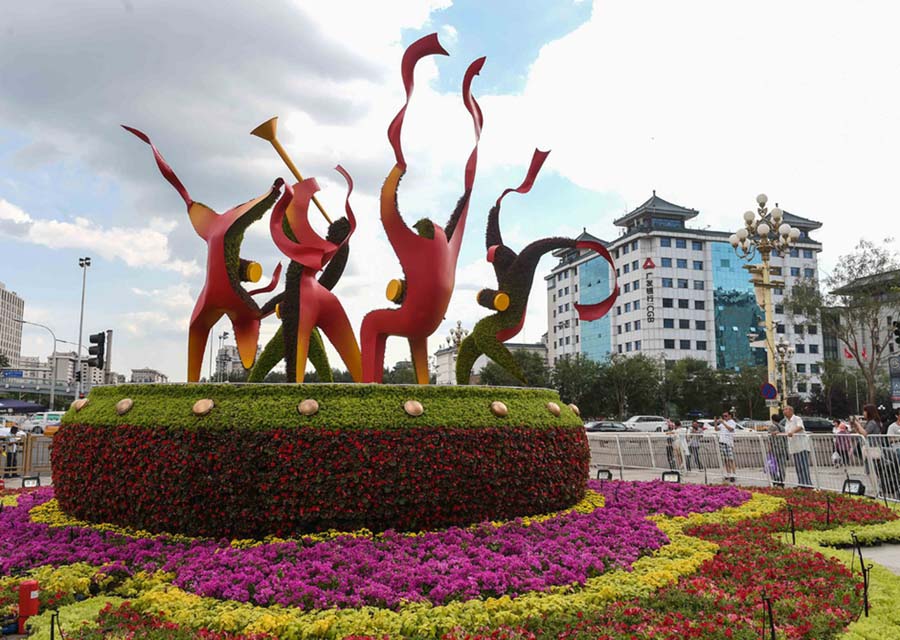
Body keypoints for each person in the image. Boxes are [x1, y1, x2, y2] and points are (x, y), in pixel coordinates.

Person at [782, 405, 811, 487]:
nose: (784, 411)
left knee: (803, 466)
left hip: (802, 446)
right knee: (798, 467)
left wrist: (792, 432)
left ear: (791, 411)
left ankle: (807, 484)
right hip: (794, 447)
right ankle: (801, 483)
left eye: (786, 409)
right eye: (783, 410)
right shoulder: (786, 421)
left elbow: (800, 427)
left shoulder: (797, 418)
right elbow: (784, 430)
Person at [716, 410, 737, 482]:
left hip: (728, 443)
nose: (724, 417)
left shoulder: (732, 422)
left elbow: (731, 429)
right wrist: (715, 422)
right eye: (723, 416)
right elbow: (716, 429)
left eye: (726, 416)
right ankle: (728, 474)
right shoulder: (723, 423)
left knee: (731, 459)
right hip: (722, 442)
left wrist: (723, 422)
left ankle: (733, 475)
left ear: (730, 416)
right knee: (725, 460)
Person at [767, 414, 787, 487]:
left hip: (775, 449)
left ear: (772, 419)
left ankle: (775, 480)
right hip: (783, 449)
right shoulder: (783, 427)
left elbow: (769, 438)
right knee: (782, 466)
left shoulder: (772, 427)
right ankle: (782, 481)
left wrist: (769, 448)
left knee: (772, 465)